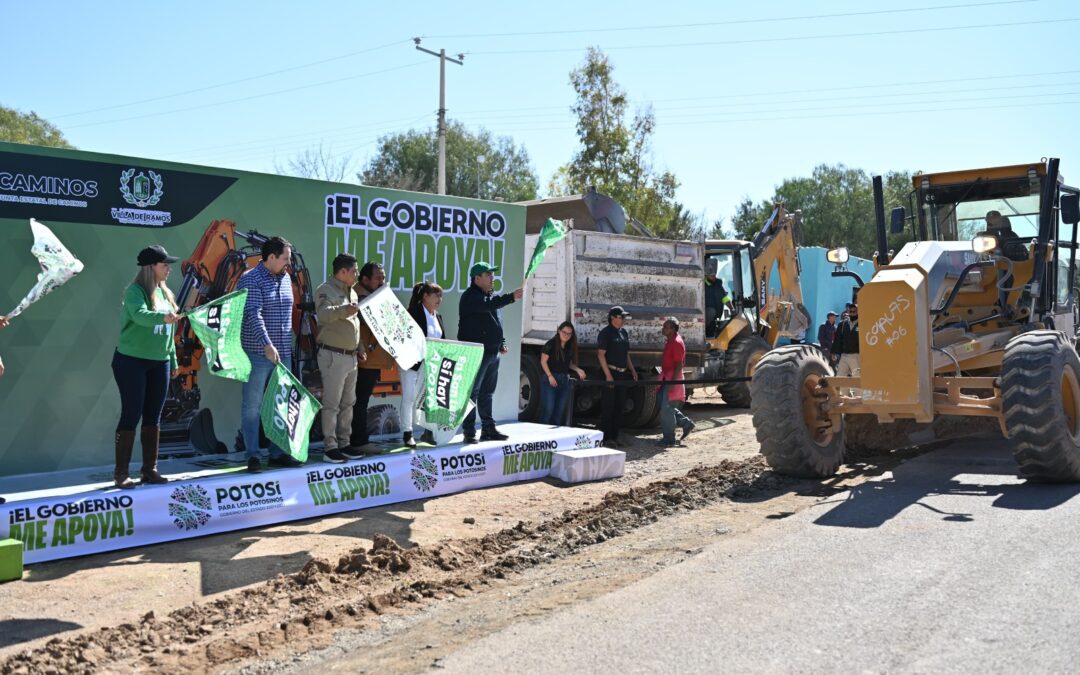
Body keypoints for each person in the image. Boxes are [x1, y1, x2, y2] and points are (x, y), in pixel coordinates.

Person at [112, 245, 181, 488]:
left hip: (159, 361)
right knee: (132, 413)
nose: (169, 269)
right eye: (164, 265)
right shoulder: (135, 291)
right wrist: (162, 317)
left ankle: (149, 469)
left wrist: (172, 360)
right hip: (131, 361)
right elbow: (140, 316)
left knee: (153, 415)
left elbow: (169, 332)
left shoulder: (166, 293)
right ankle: (121, 473)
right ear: (151, 267)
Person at [237, 236, 304, 474]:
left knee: (281, 404)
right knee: (252, 406)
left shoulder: (286, 278)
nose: (288, 263)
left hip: (283, 353)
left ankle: (278, 453)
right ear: (271, 257)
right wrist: (266, 344)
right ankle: (253, 455)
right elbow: (253, 314)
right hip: (257, 353)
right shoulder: (250, 279)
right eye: (285, 258)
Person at [457, 262, 524, 443]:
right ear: (476, 278)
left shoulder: (489, 297)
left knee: (487, 393)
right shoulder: (470, 297)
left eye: (491, 274)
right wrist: (511, 297)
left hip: (492, 352)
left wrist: (501, 342)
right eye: (488, 274)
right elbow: (487, 306)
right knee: (472, 393)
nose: (492, 277)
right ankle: (469, 432)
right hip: (476, 353)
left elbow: (496, 321)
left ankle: (488, 429)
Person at [314, 253, 363, 464]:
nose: (357, 274)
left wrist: (359, 346)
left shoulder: (352, 292)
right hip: (333, 355)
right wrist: (344, 310)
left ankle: (344, 443)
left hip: (350, 357)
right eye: (354, 270)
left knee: (348, 403)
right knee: (332, 404)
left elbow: (355, 323)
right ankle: (330, 447)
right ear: (342, 272)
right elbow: (323, 315)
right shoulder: (325, 289)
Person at [351, 261, 395, 453]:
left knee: (360, 401)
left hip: (371, 358)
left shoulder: (374, 295)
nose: (382, 281)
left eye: (383, 277)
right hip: (363, 360)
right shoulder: (360, 297)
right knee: (359, 402)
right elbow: (372, 320)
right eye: (378, 278)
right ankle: (359, 442)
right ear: (365, 278)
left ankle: (357, 440)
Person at [403, 281, 446, 446]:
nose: (439, 299)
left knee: (426, 399)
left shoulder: (438, 317)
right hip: (411, 362)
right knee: (409, 397)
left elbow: (442, 341)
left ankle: (429, 432)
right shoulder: (412, 313)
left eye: (441, 296)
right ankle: (407, 433)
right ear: (425, 296)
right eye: (436, 295)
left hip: (430, 364)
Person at [598, 305, 638, 448]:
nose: (623, 319)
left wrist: (632, 370)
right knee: (608, 406)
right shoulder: (606, 333)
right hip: (611, 372)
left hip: (622, 374)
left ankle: (615, 435)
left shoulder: (623, 333)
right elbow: (601, 355)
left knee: (619, 406)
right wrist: (608, 375)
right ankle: (606, 437)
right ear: (612, 318)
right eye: (621, 317)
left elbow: (626, 354)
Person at [539, 321, 586, 426]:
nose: (566, 335)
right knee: (548, 411)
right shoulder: (550, 344)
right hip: (550, 380)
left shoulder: (569, 346)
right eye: (564, 332)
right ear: (559, 331)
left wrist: (578, 369)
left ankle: (555, 439)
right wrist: (550, 376)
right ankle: (541, 437)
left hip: (564, 380)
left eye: (569, 333)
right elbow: (543, 361)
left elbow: (568, 363)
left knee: (559, 412)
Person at [657, 317, 695, 447]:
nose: (663, 329)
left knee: (666, 409)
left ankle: (669, 439)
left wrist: (672, 382)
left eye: (666, 327)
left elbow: (679, 364)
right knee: (666, 406)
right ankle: (686, 424)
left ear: (673, 330)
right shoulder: (670, 340)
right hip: (666, 378)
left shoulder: (676, 342)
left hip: (672, 380)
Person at [832, 302, 860, 383]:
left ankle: (859, 396)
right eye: (850, 311)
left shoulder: (863, 323)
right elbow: (837, 338)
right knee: (840, 378)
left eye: (854, 311)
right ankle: (841, 395)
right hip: (844, 356)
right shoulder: (843, 324)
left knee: (857, 379)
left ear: (858, 311)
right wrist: (834, 352)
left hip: (857, 356)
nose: (852, 313)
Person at [704, 258, 732, 337]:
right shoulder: (702, 285)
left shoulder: (718, 285)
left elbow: (724, 298)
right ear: (706, 275)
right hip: (706, 314)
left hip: (714, 318)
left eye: (714, 275)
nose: (714, 277)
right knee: (711, 311)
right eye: (712, 276)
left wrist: (732, 308)